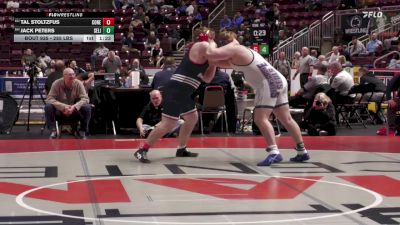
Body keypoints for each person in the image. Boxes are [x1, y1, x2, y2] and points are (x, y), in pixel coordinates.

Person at [206, 31, 309, 166]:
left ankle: (274, 152)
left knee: (260, 119)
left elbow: (211, 54)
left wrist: (209, 43)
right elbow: (215, 61)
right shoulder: (238, 53)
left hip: (269, 83)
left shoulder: (235, 49)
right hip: (278, 80)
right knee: (286, 119)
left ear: (225, 43)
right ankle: (302, 151)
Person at [134, 27, 217, 163]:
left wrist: (213, 64)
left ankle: (181, 148)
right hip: (177, 89)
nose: (213, 38)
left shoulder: (206, 52)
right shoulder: (201, 45)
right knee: (168, 123)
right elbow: (213, 49)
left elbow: (207, 79)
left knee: (191, 117)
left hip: (184, 91)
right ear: (205, 36)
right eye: (211, 35)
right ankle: (142, 150)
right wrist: (212, 42)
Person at [45, 68, 92, 138]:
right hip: (60, 111)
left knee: (87, 107)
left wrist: (74, 107)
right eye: (70, 75)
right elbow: (49, 99)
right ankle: (53, 130)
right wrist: (63, 107)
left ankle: (82, 130)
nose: (72, 76)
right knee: (48, 107)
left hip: (74, 111)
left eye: (73, 74)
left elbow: (85, 98)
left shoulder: (78, 83)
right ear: (64, 76)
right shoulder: (56, 83)